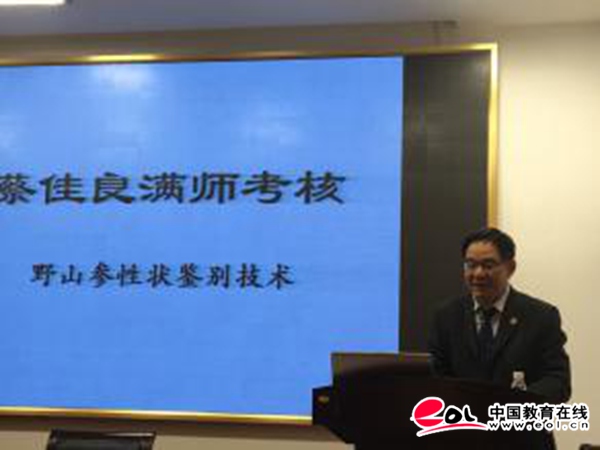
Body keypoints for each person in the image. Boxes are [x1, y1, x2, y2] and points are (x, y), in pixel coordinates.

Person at [428, 227, 571, 404]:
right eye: (471, 265)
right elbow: (435, 377)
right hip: (464, 419)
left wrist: (515, 402)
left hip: (517, 419)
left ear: (510, 268)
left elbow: (558, 382)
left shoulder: (541, 316)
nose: (478, 273)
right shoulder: (446, 317)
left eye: (488, 265)